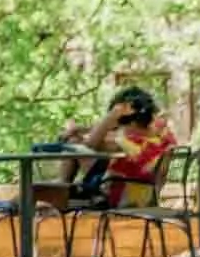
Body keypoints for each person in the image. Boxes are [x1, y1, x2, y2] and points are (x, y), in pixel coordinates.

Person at [50, 87, 179, 208]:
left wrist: (110, 117)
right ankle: (63, 186)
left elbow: (89, 145)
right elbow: (106, 132)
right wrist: (80, 129)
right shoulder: (161, 137)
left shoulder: (123, 142)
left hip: (118, 198)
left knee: (74, 144)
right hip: (147, 197)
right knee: (77, 142)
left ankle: (61, 187)